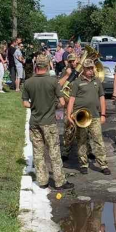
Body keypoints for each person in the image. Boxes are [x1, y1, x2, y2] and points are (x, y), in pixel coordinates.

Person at [22, 56, 74, 190]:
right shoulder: (53, 81)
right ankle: (59, 181)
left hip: (34, 123)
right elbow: (62, 103)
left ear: (36, 66)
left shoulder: (28, 82)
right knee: (54, 152)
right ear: (48, 66)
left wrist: (35, 106)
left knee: (38, 152)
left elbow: (25, 103)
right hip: (49, 122)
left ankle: (43, 181)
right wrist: (52, 107)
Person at [68, 58, 111, 175]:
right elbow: (71, 99)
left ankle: (103, 164)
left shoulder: (97, 81)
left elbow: (102, 98)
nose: (91, 70)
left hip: (95, 116)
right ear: (83, 69)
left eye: (92, 68)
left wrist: (103, 114)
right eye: (88, 68)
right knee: (81, 140)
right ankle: (83, 164)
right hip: (81, 116)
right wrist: (69, 115)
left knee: (98, 140)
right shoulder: (77, 83)